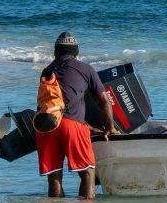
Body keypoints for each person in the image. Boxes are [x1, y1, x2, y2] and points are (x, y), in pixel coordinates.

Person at [36, 31, 117, 199]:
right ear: (76, 51)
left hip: (46, 125)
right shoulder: (86, 69)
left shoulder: (46, 71)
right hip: (71, 126)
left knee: (54, 177)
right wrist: (110, 128)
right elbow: (104, 102)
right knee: (88, 172)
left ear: (56, 51)